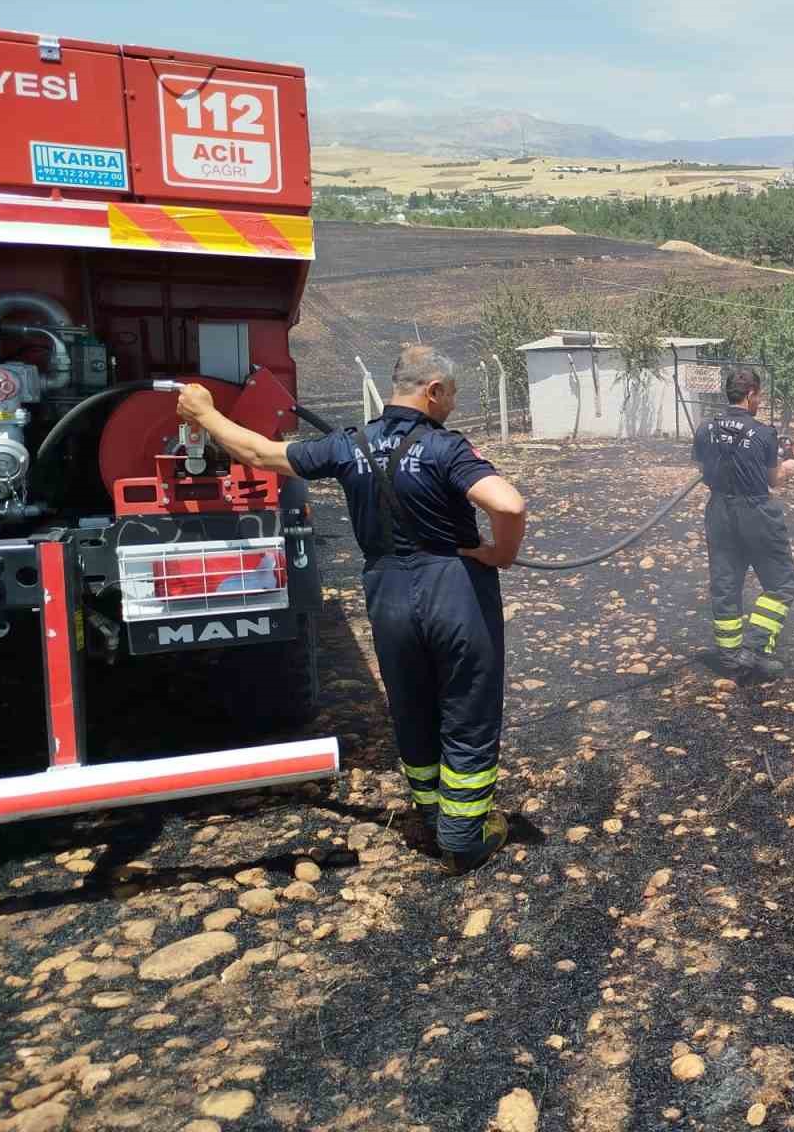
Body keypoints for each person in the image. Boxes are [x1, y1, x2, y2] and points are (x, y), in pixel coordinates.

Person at [175, 345, 529, 875]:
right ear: (433, 391)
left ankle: (431, 818)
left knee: (411, 706)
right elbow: (509, 503)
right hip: (450, 584)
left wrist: (204, 415)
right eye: (451, 395)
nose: (452, 406)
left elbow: (259, 453)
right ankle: (463, 838)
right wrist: (500, 554)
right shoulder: (444, 447)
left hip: (386, 591)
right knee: (466, 708)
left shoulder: (349, 443)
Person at [691, 368, 794, 680]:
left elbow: (703, 471)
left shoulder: (705, 428)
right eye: (759, 396)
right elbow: (774, 481)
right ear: (751, 394)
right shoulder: (765, 433)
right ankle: (754, 648)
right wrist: (788, 468)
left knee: (726, 583)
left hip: (718, 512)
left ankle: (730, 657)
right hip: (756, 513)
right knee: (783, 584)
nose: (759, 401)